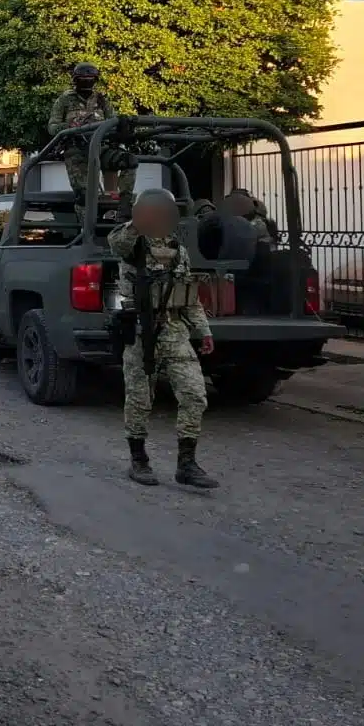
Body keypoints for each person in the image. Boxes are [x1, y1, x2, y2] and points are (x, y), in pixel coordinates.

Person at [108, 187, 218, 489]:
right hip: (141, 330)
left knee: (195, 394)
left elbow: (188, 296)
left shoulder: (177, 249)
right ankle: (139, 460)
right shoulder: (131, 241)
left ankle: (187, 463)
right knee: (140, 398)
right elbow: (117, 243)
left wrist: (203, 330)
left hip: (174, 329)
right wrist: (137, 220)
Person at [47, 62, 135, 207]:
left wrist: (122, 125)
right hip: (77, 152)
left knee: (129, 161)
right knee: (84, 196)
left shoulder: (101, 99)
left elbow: (112, 120)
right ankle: (86, 227)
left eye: (90, 79)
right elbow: (52, 127)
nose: (87, 82)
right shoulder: (65, 100)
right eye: (83, 79)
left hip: (101, 147)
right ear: (75, 80)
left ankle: (124, 205)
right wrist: (69, 127)